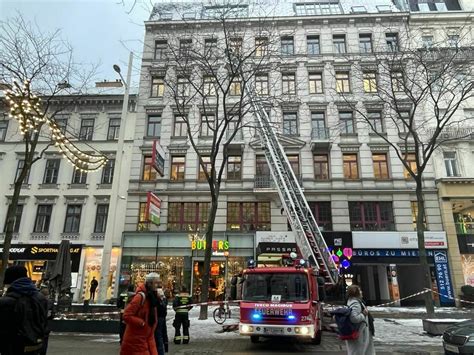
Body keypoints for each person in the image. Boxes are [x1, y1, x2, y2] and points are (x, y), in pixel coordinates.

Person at [0, 265, 48, 355]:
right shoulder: (41, 298)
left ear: (9, 282)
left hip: (14, 347)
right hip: (37, 346)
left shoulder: (6, 302)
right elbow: (44, 324)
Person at [120, 273, 160, 355]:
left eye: (158, 283)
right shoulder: (141, 297)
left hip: (146, 337)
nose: (158, 286)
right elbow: (126, 315)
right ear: (149, 283)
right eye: (156, 283)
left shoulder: (152, 297)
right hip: (135, 340)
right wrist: (141, 323)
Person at [345, 285, 375, 355]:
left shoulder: (354, 301)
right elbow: (354, 318)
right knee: (358, 352)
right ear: (356, 293)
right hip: (360, 333)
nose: (361, 292)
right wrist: (363, 314)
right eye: (360, 290)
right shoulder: (355, 303)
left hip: (361, 333)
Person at [39, 287, 54, 355]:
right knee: (44, 343)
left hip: (38, 325)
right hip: (46, 325)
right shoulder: (50, 302)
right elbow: (51, 315)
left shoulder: (36, 301)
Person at [154, 282, 168, 355]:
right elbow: (165, 303)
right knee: (162, 334)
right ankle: (163, 350)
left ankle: (159, 351)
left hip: (158, 317)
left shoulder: (156, 293)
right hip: (162, 317)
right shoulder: (163, 295)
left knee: (158, 335)